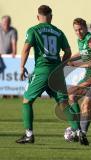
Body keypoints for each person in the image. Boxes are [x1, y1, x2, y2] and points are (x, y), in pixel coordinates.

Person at [15, 5, 85, 145]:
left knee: (27, 101)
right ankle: (78, 131)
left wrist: (22, 67)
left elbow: (26, 49)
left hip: (42, 70)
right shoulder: (58, 32)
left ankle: (29, 134)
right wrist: (61, 65)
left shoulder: (33, 30)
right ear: (51, 17)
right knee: (64, 103)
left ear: (37, 17)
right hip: (56, 72)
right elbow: (68, 52)